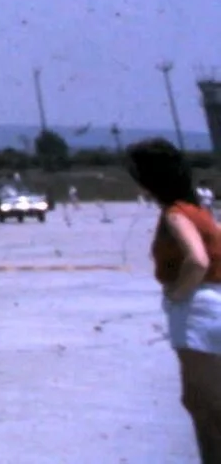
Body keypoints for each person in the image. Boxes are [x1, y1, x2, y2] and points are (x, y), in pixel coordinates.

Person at [128, 137, 221, 459]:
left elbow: (197, 260)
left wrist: (178, 293)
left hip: (198, 309)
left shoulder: (176, 214)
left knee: (206, 406)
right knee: (200, 402)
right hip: (212, 303)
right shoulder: (198, 210)